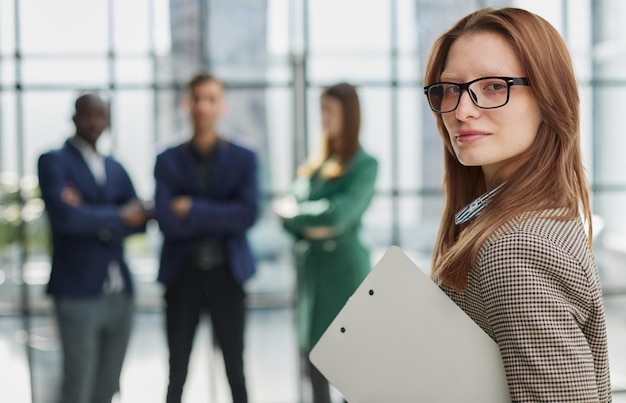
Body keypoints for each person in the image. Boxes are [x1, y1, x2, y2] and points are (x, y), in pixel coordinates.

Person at [422, 7, 611, 402]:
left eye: (493, 86)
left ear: (548, 96)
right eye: (450, 89)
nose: (461, 110)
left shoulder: (517, 249)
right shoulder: (526, 216)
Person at [154, 72, 259, 403]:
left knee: (235, 371)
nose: (203, 106)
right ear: (187, 104)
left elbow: (247, 215)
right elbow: (168, 221)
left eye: (210, 99)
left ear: (222, 105)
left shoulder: (245, 157)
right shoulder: (167, 158)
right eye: (196, 99)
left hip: (228, 274)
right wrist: (219, 215)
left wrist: (192, 208)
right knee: (177, 373)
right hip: (181, 275)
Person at [38, 93, 150, 403]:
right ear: (74, 118)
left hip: (119, 292)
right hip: (77, 290)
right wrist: (117, 215)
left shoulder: (115, 167)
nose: (95, 122)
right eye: (88, 115)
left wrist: (91, 215)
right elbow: (66, 220)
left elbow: (141, 220)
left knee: (108, 386)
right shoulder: (53, 161)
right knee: (77, 386)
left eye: (101, 116)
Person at [273, 82, 378, 403]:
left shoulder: (364, 165)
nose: (323, 118)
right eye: (321, 110)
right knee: (314, 368)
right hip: (313, 278)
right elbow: (285, 215)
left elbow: (336, 217)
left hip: (345, 276)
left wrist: (300, 217)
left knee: (350, 373)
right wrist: (309, 224)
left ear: (349, 115)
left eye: (330, 110)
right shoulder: (314, 167)